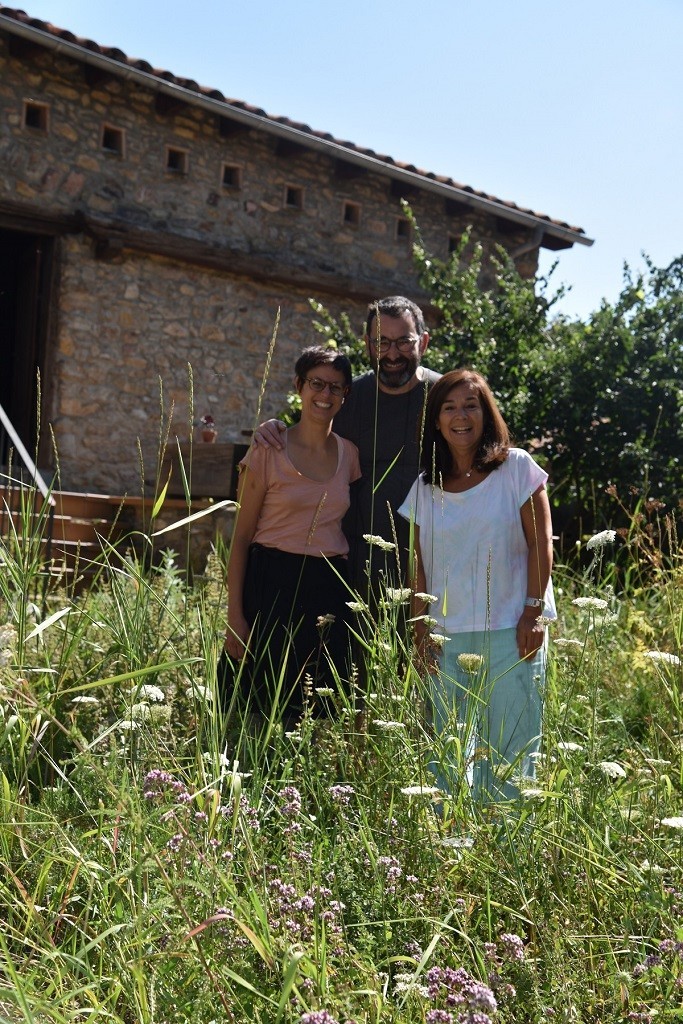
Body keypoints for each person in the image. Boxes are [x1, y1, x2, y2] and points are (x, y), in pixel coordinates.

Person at [398, 369, 556, 803]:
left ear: (486, 414)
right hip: (447, 638)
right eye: (449, 407)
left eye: (471, 405)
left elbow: (541, 543)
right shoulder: (424, 489)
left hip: (512, 631)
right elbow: (419, 569)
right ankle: (452, 850)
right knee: (447, 757)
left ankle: (507, 853)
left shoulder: (517, 468)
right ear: (436, 421)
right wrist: (420, 631)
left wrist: (532, 612)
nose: (460, 416)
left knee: (510, 753)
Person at [254, 296, 441, 600]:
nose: (392, 354)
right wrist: (274, 428)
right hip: (351, 571)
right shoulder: (346, 398)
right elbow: (306, 440)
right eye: (381, 342)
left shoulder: (446, 399)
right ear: (367, 344)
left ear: (424, 342)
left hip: (432, 571)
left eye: (404, 342)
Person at [221, 346, 361, 725]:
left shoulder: (349, 455)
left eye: (336, 387)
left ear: (345, 395)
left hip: (327, 589)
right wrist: (235, 614)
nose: (325, 394)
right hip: (270, 588)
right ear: (299, 386)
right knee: (253, 711)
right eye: (316, 383)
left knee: (316, 715)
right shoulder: (269, 448)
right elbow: (241, 538)